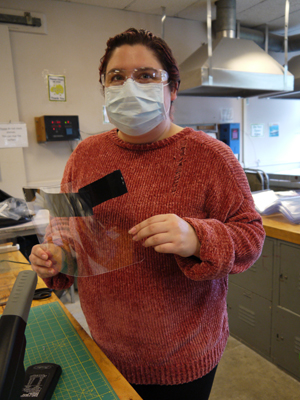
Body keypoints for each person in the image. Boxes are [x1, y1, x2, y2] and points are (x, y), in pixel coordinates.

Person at [29, 28, 266, 400]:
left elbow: (250, 236)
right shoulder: (84, 156)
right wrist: (56, 254)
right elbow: (66, 227)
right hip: (106, 344)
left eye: (146, 75)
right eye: (117, 77)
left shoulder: (212, 157)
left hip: (184, 355)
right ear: (104, 89)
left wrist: (197, 237)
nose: (129, 86)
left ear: (172, 89)